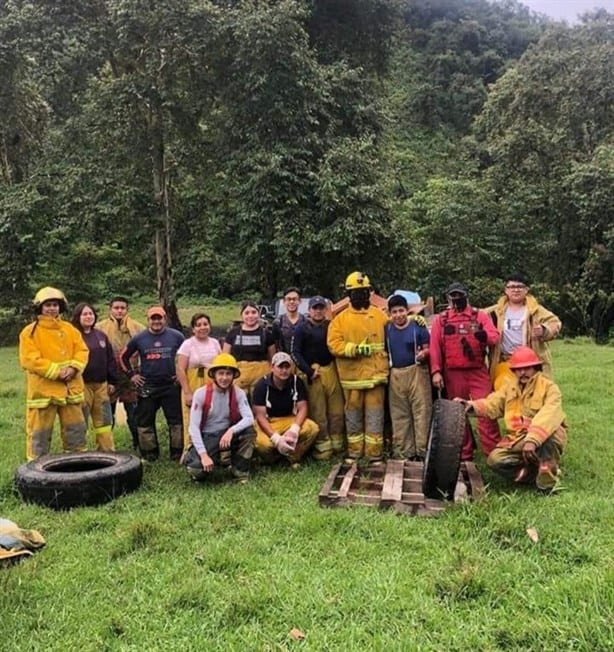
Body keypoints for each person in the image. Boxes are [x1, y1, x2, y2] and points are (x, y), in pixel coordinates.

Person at [456, 346, 567, 492]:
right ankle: (532, 475)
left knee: (548, 440)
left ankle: (547, 484)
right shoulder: (510, 388)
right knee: (495, 460)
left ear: (535, 367)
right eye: (518, 369)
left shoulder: (549, 388)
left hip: (545, 436)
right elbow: (493, 403)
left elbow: (549, 415)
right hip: (518, 438)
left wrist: (532, 440)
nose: (522, 372)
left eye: (527, 368)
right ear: (513, 371)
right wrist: (471, 406)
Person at [429, 282, 500, 460]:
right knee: (457, 413)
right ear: (448, 298)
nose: (457, 299)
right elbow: (435, 346)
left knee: (486, 410)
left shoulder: (480, 316)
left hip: (477, 371)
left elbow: (494, 336)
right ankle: (464, 453)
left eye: (460, 295)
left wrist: (484, 336)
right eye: (453, 296)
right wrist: (436, 371)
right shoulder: (442, 319)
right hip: (452, 373)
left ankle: (495, 453)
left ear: (466, 296)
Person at [18, 287, 88, 460]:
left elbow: (82, 351)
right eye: (47, 305)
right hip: (43, 393)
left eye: (55, 305)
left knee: (76, 432)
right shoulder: (29, 332)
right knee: (39, 435)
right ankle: (35, 470)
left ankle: (77, 465)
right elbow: (30, 359)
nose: (52, 308)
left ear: (60, 307)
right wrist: (57, 372)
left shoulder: (70, 329)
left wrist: (73, 368)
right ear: (39, 308)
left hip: (70, 390)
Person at [327, 272, 389, 463]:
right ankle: (354, 452)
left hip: (376, 377)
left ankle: (374, 453)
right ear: (348, 295)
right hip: (352, 379)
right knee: (353, 414)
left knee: (375, 415)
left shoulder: (381, 316)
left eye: (363, 291)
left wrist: (416, 323)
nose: (360, 295)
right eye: (356, 292)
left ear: (369, 293)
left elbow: (396, 330)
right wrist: (354, 349)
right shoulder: (340, 320)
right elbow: (333, 344)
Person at [120, 306, 185, 461]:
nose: (156, 321)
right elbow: (123, 357)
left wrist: (181, 374)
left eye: (159, 318)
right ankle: (150, 454)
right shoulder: (139, 338)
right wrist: (132, 375)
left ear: (165, 319)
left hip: (171, 385)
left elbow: (187, 354)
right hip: (147, 386)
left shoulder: (177, 336)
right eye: (153, 318)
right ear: (148, 320)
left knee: (176, 421)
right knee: (144, 422)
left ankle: (177, 453)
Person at [183, 353, 255, 482]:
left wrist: (231, 430)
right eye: (221, 373)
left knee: (249, 432)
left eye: (228, 374)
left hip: (228, 433)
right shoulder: (201, 394)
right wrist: (204, 455)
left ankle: (240, 471)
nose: (224, 378)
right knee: (196, 470)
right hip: (208, 435)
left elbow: (249, 418)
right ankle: (199, 455)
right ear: (214, 375)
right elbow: (193, 428)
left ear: (234, 376)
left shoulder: (238, 393)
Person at [486, 273, 562, 389]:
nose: (516, 290)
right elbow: (474, 315)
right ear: (506, 290)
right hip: (505, 360)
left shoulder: (535, 310)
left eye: (520, 287)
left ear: (526, 290)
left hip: (529, 361)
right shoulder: (495, 311)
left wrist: (544, 330)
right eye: (512, 287)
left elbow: (555, 323)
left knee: (533, 391)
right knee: (504, 389)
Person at [292, 296, 345, 460]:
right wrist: (308, 371)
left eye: (321, 308)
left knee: (336, 410)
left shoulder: (332, 326)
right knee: (318, 411)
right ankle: (323, 448)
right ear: (309, 310)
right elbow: (295, 353)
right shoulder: (301, 328)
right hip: (313, 373)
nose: (318, 311)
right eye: (315, 308)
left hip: (331, 370)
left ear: (326, 310)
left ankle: (338, 445)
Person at [386, 293, 432, 461]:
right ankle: (404, 452)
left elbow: (428, 348)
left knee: (422, 412)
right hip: (396, 374)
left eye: (401, 311)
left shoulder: (417, 326)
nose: (398, 315)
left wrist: (423, 354)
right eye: (394, 312)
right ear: (390, 314)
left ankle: (423, 451)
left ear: (407, 311)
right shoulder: (387, 329)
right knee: (399, 414)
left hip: (417, 372)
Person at [252, 352, 319, 465]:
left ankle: (291, 458)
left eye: (287, 367)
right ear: (272, 367)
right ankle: (273, 460)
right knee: (263, 444)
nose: (284, 370)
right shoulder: (261, 385)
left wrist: (294, 429)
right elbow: (260, 417)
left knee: (312, 428)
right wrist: (276, 439)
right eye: (280, 367)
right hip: (269, 421)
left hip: (289, 419)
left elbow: (302, 408)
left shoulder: (296, 382)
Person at [96, 296, 145, 448]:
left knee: (134, 413)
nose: (119, 311)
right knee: (107, 414)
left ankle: (138, 443)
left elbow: (145, 351)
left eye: (122, 308)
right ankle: (105, 446)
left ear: (127, 309)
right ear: (110, 309)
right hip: (109, 376)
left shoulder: (138, 328)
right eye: (116, 308)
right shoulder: (100, 328)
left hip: (131, 375)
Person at [71, 302, 119, 451]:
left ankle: (107, 452)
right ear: (78, 317)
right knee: (80, 422)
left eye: (90, 313)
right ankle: (78, 454)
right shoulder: (72, 336)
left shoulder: (101, 336)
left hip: (101, 386)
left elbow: (110, 360)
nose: (88, 316)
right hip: (81, 386)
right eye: (84, 314)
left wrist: (113, 381)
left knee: (104, 423)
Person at [175, 313, 222, 449]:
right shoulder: (187, 344)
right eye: (199, 325)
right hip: (193, 383)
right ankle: (191, 450)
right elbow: (180, 369)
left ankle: (212, 448)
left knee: (212, 416)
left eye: (205, 324)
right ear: (193, 328)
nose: (202, 327)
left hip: (212, 384)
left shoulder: (215, 343)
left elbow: (220, 364)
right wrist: (187, 392)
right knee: (192, 418)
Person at [223, 300, 276, 397]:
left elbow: (272, 358)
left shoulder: (266, 334)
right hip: (238, 377)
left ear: (258, 314)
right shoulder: (232, 333)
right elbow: (225, 357)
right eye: (246, 313)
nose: (250, 316)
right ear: (241, 315)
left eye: (253, 312)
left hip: (260, 377)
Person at [272, 286, 306, 353]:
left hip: (303, 360)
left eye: (294, 299)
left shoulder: (306, 321)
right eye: (289, 299)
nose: (291, 302)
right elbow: (275, 346)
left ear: (299, 301)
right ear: (284, 301)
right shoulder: (278, 323)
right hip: (284, 360)